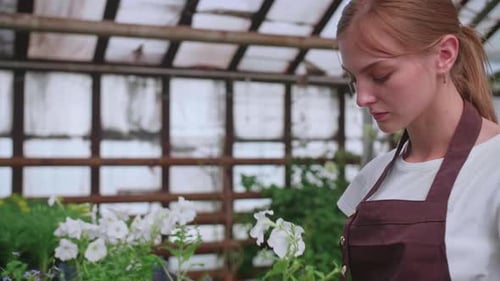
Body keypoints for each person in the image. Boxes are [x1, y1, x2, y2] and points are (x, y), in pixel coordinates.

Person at [335, 0, 500, 280]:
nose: (361, 98)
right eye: (353, 79)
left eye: (380, 75)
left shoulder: (493, 169)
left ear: (445, 55)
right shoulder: (373, 176)